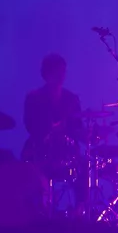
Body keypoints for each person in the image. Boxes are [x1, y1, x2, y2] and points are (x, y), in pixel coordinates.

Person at [23, 53, 84, 182]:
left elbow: (78, 127)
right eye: (57, 71)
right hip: (40, 150)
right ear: (47, 73)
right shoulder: (34, 97)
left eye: (63, 71)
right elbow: (30, 125)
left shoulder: (72, 99)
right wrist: (49, 129)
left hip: (67, 151)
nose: (61, 75)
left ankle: (82, 196)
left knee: (83, 167)